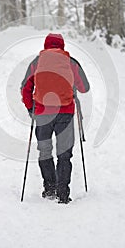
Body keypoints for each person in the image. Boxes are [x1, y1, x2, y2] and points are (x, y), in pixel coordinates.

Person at [21, 33, 90, 203]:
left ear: (46, 46)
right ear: (62, 46)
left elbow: (25, 88)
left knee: (45, 152)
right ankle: (63, 193)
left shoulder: (36, 63)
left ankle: (50, 188)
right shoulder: (71, 62)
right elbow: (85, 88)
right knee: (64, 154)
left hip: (43, 114)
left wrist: (31, 108)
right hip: (65, 112)